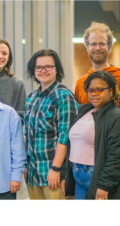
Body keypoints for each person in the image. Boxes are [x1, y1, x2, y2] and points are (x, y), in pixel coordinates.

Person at [64, 71, 120, 199]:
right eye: (90, 90)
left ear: (111, 91)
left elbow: (118, 156)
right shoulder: (83, 111)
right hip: (77, 174)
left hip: (97, 177)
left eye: (99, 90)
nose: (94, 93)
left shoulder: (118, 118)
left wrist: (104, 185)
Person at [24, 49, 79, 200]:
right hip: (33, 176)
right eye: (38, 67)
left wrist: (56, 169)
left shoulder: (64, 97)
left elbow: (66, 137)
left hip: (53, 176)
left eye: (48, 66)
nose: (43, 71)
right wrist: (25, 166)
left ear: (57, 69)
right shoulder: (31, 98)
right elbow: (27, 135)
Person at [75, 21, 120, 119]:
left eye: (102, 44)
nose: (97, 48)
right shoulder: (80, 84)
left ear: (109, 47)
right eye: (93, 44)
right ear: (87, 47)